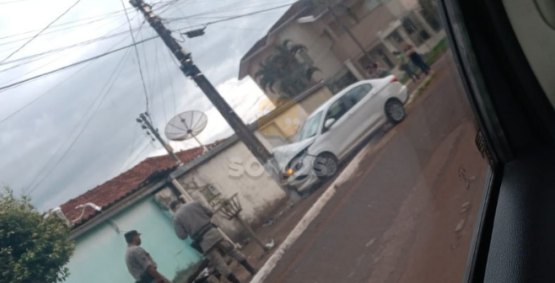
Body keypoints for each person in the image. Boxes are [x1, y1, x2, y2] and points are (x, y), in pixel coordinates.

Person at [170, 200, 256, 283]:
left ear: (173, 209)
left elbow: (182, 236)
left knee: (219, 263)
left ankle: (236, 282)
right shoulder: (194, 203)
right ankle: (251, 269)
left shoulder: (176, 218)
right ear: (180, 203)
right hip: (213, 232)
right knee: (232, 251)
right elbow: (210, 212)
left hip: (203, 242)